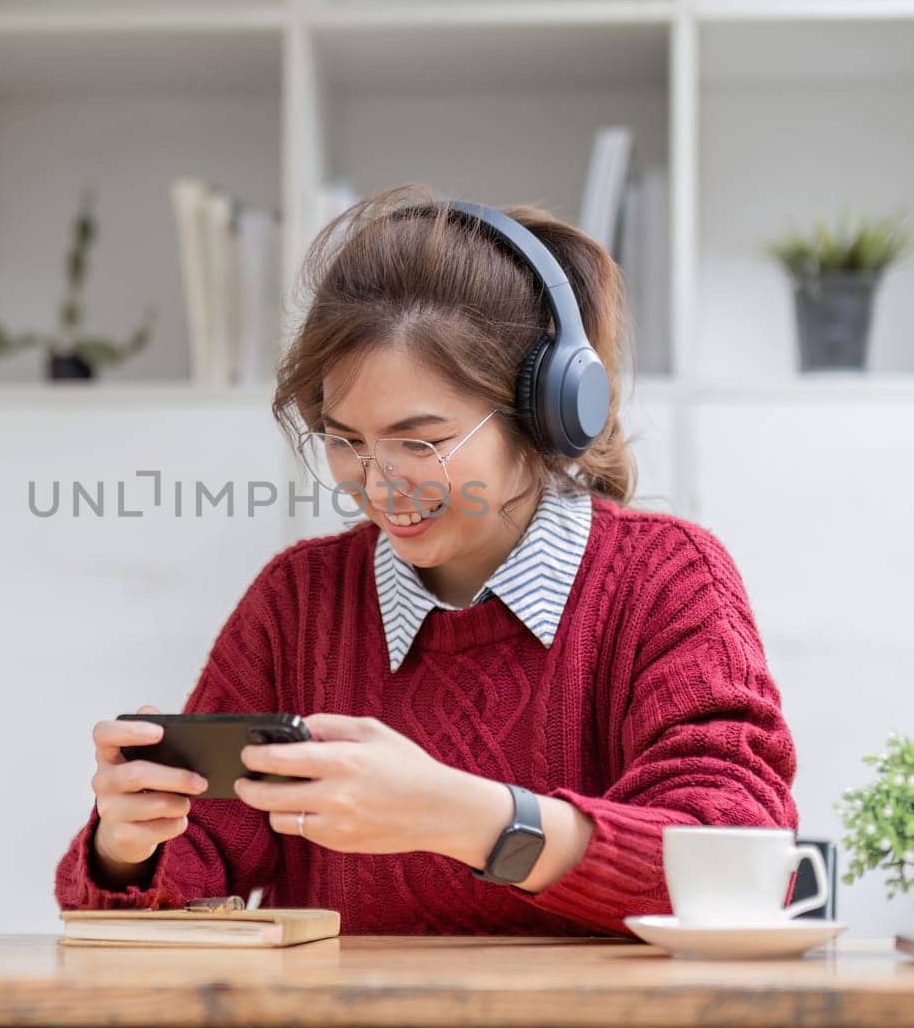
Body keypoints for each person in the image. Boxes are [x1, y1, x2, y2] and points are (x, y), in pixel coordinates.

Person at [53, 183, 798, 936]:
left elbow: (736, 859)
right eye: (345, 440)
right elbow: (181, 873)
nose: (377, 485)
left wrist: (462, 814)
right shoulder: (299, 600)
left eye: (420, 441)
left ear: (543, 412)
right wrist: (129, 845)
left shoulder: (663, 579)